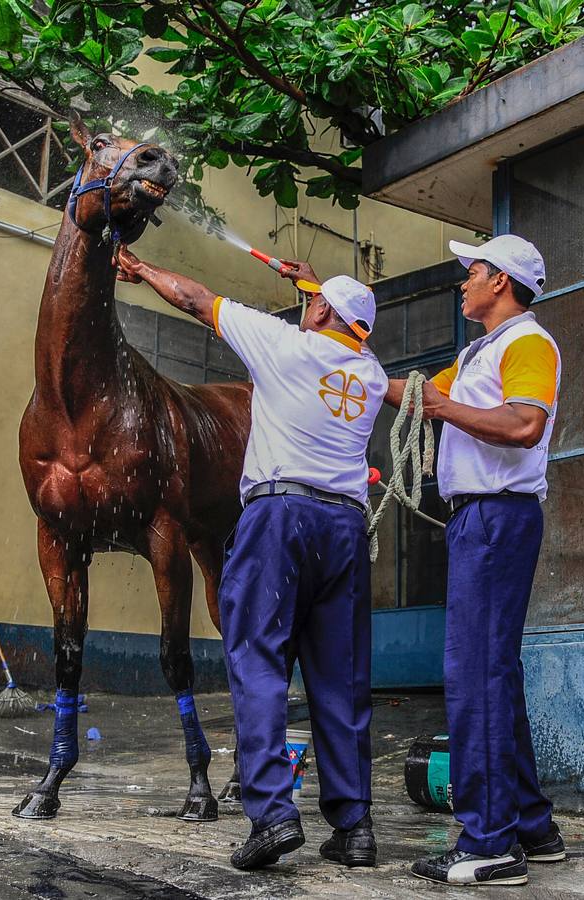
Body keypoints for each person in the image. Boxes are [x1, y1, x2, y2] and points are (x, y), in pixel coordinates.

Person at [116, 247, 386, 871]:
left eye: (313, 304)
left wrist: (145, 269)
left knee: (259, 662)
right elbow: (338, 318)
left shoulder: (282, 346)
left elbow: (194, 298)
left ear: (321, 312)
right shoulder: (370, 374)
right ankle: (355, 828)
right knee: (341, 678)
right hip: (345, 526)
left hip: (280, 517)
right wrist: (312, 285)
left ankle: (272, 815)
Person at [385, 235, 564, 887]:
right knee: (496, 676)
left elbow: (524, 425)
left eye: (473, 271)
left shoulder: (528, 343)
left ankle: (488, 842)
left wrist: (441, 406)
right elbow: (409, 395)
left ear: (501, 281)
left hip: (497, 515)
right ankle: (532, 828)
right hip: (477, 518)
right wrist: (332, 351)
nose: (463, 281)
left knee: (475, 677)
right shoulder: (474, 354)